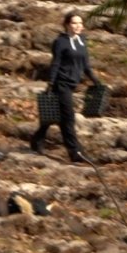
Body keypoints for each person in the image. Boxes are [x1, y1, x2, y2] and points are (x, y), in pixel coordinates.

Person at [30, 12, 103, 163]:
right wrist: (51, 83)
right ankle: (75, 152)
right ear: (67, 25)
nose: (78, 26)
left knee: (56, 116)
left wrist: (95, 80)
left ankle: (37, 139)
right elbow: (56, 63)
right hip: (61, 83)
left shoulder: (82, 40)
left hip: (72, 83)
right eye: (74, 23)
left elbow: (85, 64)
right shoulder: (60, 42)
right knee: (68, 118)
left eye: (80, 23)